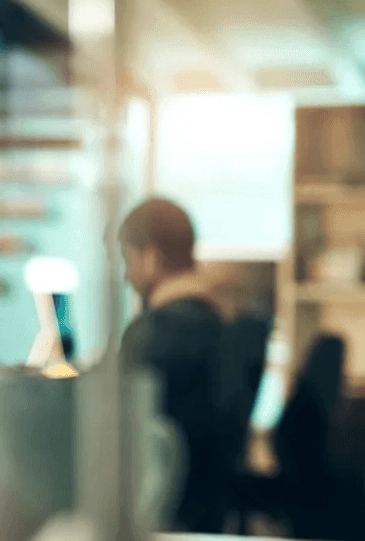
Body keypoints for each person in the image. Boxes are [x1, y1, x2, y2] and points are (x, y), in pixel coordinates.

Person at [118, 198, 226, 532]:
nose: (126, 277)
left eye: (129, 260)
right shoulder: (220, 324)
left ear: (151, 257)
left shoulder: (151, 332)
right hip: (206, 510)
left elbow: (117, 434)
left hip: (157, 515)